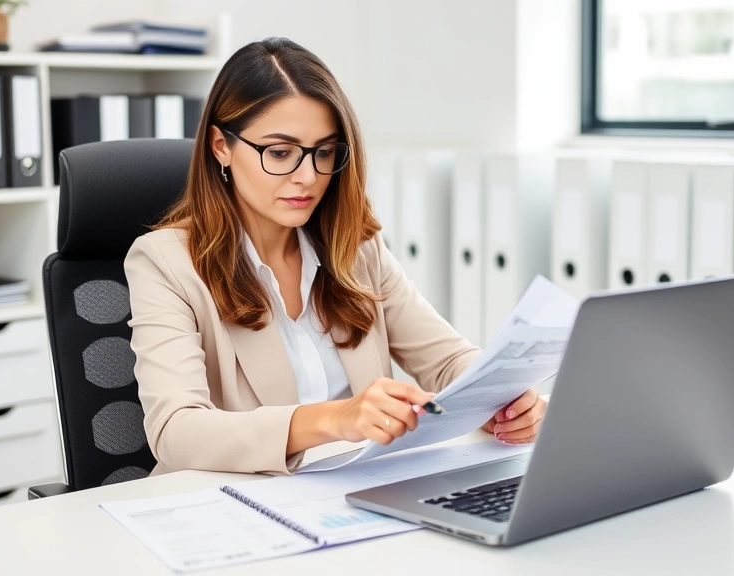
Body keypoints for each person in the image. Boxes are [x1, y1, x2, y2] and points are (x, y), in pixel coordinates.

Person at [124, 37, 547, 476]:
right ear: (220, 146)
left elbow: (446, 360)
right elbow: (176, 432)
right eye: (280, 153)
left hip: (357, 492)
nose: (307, 177)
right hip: (233, 505)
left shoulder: (356, 249)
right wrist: (335, 418)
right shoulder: (166, 263)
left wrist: (502, 397)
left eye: (323, 152)